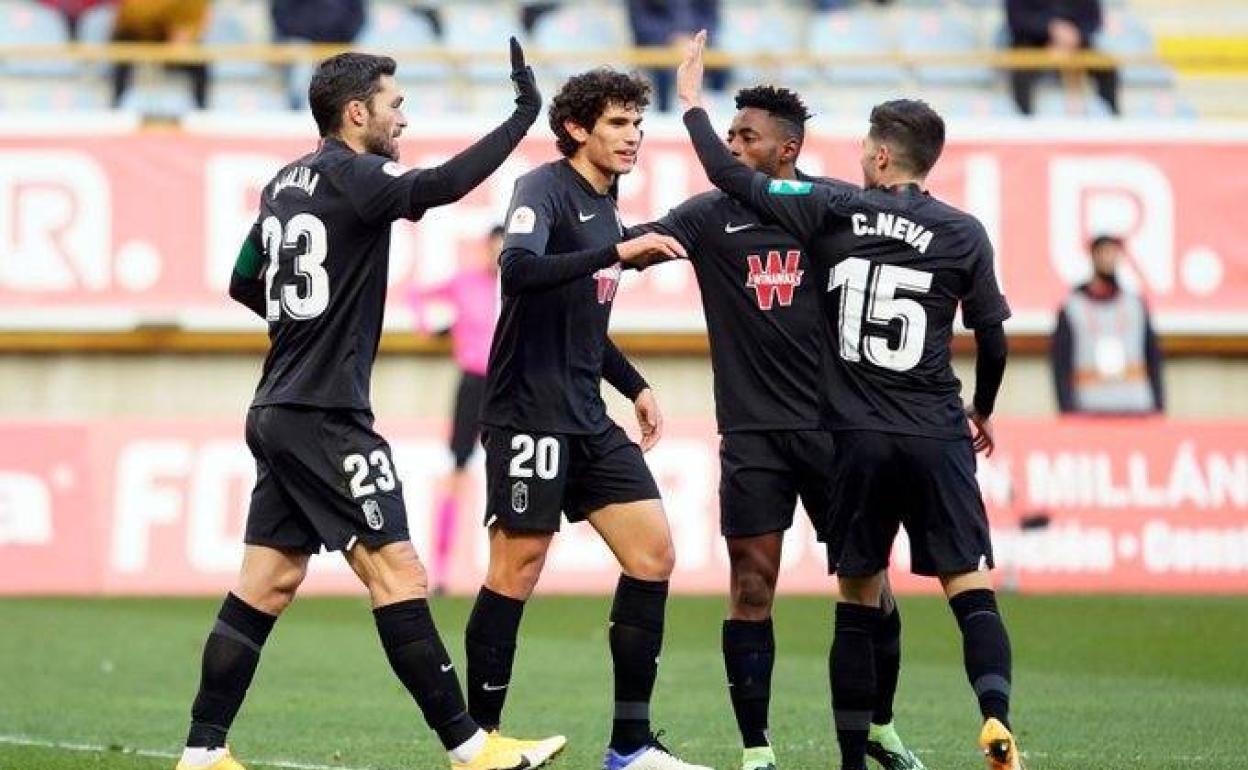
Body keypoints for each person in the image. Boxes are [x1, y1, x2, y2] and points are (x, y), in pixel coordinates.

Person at [174, 41, 565, 770]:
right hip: (326, 414)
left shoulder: (282, 184)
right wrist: (522, 118)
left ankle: (203, 750)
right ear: (357, 113)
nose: (403, 119)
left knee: (268, 581)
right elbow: (444, 184)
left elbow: (241, 279)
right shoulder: (359, 177)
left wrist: (301, 321)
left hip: (278, 405)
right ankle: (469, 747)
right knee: (399, 572)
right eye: (395, 105)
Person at [677, 32, 1023, 770]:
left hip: (854, 433)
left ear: (879, 157)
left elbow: (731, 178)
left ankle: (854, 754)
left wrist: (691, 107)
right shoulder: (964, 231)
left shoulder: (833, 208)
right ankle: (994, 717)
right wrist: (982, 408)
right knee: (968, 585)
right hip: (935, 427)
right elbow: (994, 339)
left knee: (858, 596)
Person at [631, 85, 923, 770]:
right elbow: (632, 244)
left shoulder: (827, 208)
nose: (734, 147)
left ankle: (878, 728)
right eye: (728, 136)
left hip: (835, 432)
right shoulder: (706, 218)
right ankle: (757, 750)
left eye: (747, 137)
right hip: (753, 435)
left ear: (786, 148)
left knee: (869, 582)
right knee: (750, 585)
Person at [467, 68, 710, 770]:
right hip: (526, 413)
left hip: (586, 413)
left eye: (638, 123)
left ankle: (630, 746)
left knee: (653, 554)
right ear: (577, 129)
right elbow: (517, 271)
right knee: (518, 569)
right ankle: (478, 744)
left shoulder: (608, 200)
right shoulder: (541, 190)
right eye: (617, 124)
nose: (633, 136)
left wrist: (632, 384)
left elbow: (580, 318)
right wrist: (617, 252)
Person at [407, 225, 505, 594]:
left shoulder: (514, 288)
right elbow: (415, 294)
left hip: (507, 385)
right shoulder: (465, 283)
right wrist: (429, 328)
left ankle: (506, 567)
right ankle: (442, 569)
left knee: (510, 472)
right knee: (457, 470)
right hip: (473, 383)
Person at [1051, 234, 1163, 414]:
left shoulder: (1135, 304)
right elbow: (1061, 365)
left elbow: (1153, 357)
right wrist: (1067, 410)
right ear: (1093, 256)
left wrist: (1159, 405)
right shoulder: (1072, 307)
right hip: (1090, 407)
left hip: (1136, 406)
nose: (1109, 258)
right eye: (1104, 252)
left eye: (1113, 252)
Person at [1005, 0, 1119, 116]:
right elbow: (1017, 18)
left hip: (1076, 44)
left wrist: (1074, 35)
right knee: (1021, 71)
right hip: (1032, 43)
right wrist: (1051, 29)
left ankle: (1115, 117)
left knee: (1105, 66)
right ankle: (1025, 121)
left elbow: (1094, 20)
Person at [626, 0, 726, 112]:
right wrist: (671, 39)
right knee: (663, 69)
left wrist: (695, 38)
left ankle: (713, 116)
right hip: (658, 45)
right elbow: (642, 22)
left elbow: (710, 16)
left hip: (695, 42)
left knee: (722, 67)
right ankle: (664, 116)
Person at [111, 0, 210, 109]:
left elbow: (197, 18)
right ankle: (116, 108)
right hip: (138, 32)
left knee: (198, 61)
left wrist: (186, 33)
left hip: (171, 37)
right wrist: (168, 21)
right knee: (122, 51)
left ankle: (201, 111)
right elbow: (133, 14)